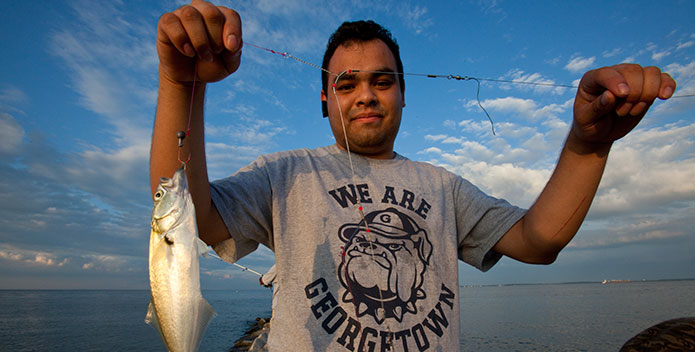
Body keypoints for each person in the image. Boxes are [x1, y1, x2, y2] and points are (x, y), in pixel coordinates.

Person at [150, 1, 676, 351]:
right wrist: (180, 83)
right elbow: (189, 217)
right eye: (345, 83)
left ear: (403, 93)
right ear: (323, 101)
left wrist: (590, 144)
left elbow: (539, 241)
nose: (365, 94)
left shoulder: (443, 187)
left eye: (382, 80)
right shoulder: (285, 175)